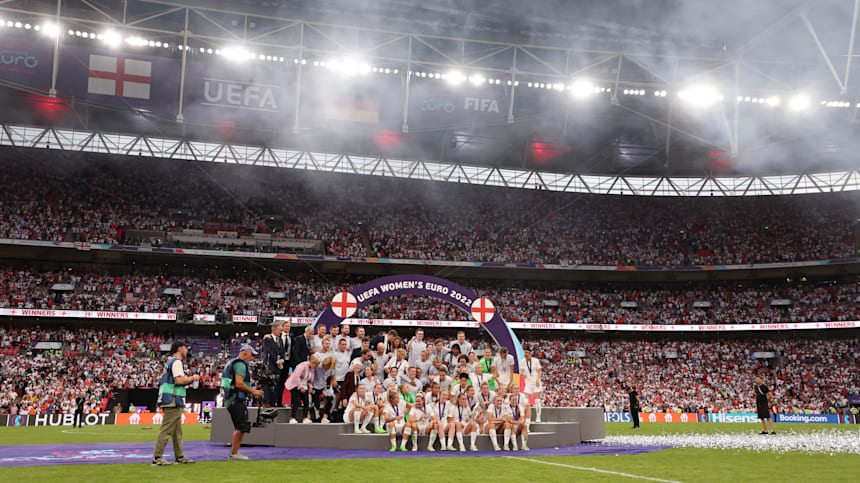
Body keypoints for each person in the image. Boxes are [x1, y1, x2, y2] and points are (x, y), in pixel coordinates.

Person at [152, 340, 200, 466]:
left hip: (171, 399)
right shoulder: (177, 362)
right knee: (166, 430)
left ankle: (180, 456)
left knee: (177, 432)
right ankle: (157, 457)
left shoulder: (170, 361)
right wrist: (193, 378)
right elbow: (179, 381)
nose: (187, 350)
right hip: (172, 400)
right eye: (185, 348)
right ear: (179, 349)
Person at [220, 344, 264, 461]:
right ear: (245, 352)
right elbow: (239, 383)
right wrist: (254, 392)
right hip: (236, 398)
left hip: (231, 398)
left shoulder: (232, 362)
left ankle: (234, 452)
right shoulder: (240, 364)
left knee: (240, 426)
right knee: (241, 425)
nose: (252, 358)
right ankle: (234, 453)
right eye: (251, 355)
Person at [286, 357, 320, 423]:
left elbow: (310, 379)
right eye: (315, 365)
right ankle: (292, 418)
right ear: (312, 363)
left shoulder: (312, 369)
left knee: (306, 401)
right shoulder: (302, 366)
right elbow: (296, 376)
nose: (316, 367)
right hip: (295, 384)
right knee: (296, 401)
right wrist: (300, 387)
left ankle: (305, 418)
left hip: (304, 384)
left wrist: (310, 386)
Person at [261, 322, 287, 407]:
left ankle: (273, 402)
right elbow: (269, 352)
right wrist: (276, 360)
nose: (280, 332)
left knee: (276, 384)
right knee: (268, 384)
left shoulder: (280, 339)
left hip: (278, 366)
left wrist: (282, 359)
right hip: (269, 365)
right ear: (274, 330)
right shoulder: (267, 339)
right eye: (279, 330)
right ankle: (266, 402)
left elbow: (282, 351)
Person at [521, 349, 543, 423]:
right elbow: (521, 371)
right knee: (525, 400)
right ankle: (525, 418)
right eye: (525, 356)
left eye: (527, 356)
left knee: (537, 400)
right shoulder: (523, 361)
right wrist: (522, 374)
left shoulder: (536, 361)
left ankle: (538, 417)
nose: (526, 358)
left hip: (536, 382)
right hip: (528, 382)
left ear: (530, 355)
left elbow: (539, 371)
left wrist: (537, 380)